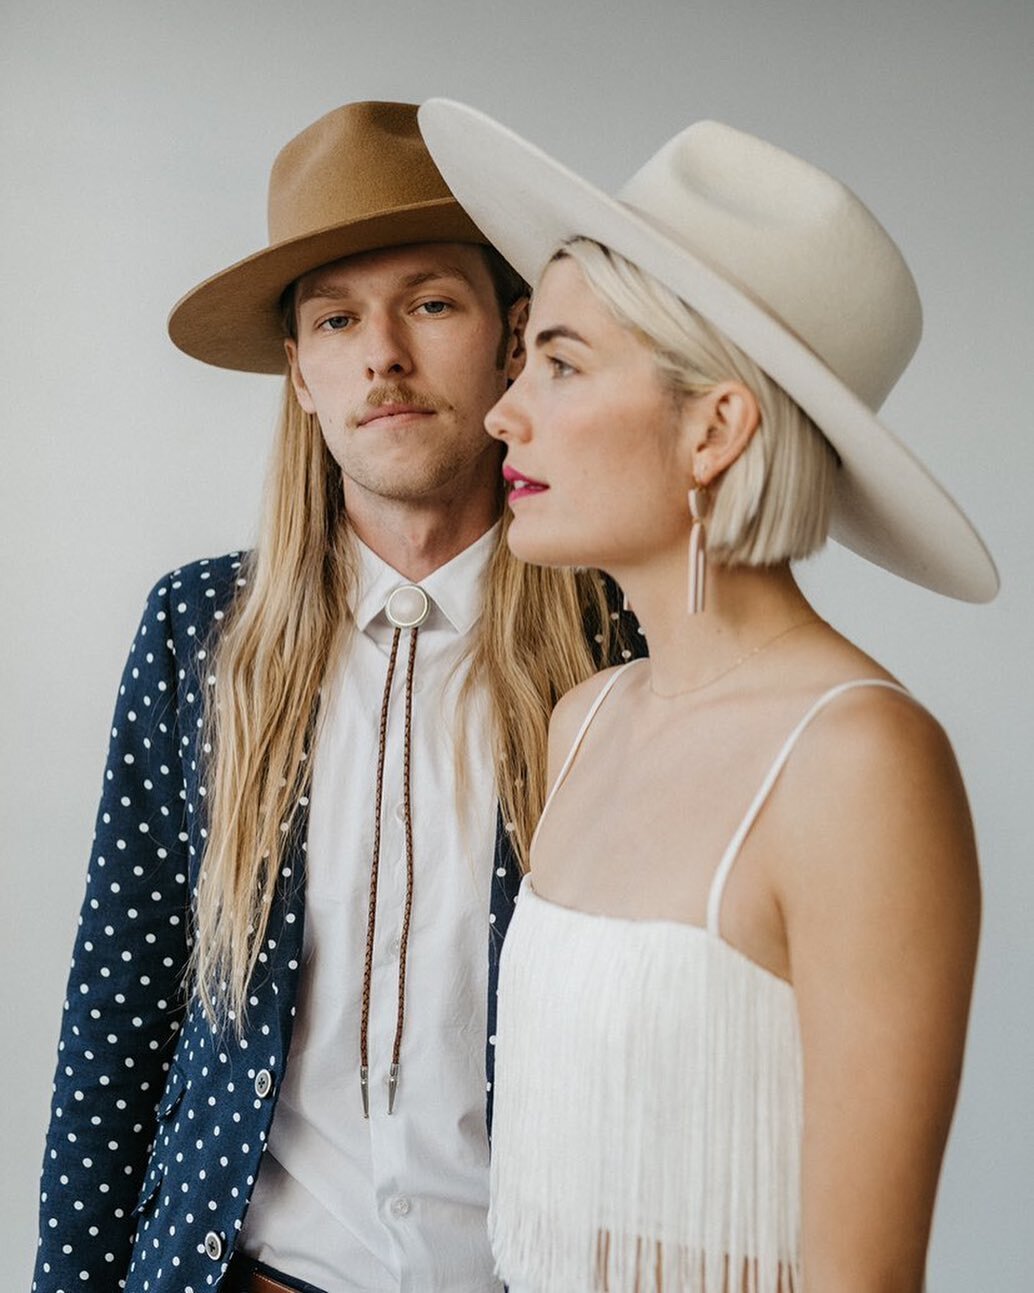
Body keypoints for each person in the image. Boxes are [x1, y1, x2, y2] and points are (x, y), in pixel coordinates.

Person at [32, 101, 633, 1293]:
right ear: (300, 376)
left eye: (429, 303)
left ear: (513, 342)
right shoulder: (201, 636)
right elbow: (119, 1012)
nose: (382, 358)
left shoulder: (620, 636)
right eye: (335, 319)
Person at [420, 100, 999, 1292]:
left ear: (715, 427)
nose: (502, 412)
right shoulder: (581, 724)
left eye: (561, 365)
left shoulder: (857, 763)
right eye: (523, 357)